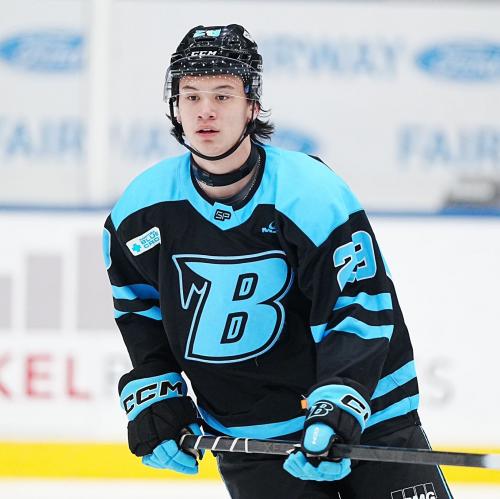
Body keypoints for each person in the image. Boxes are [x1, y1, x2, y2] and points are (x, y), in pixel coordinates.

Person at [102, 24, 453, 499]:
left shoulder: (309, 194)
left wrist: (338, 404)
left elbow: (358, 303)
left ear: (252, 105)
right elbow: (140, 310)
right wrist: (156, 392)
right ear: (175, 106)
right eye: (191, 96)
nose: (205, 110)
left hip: (370, 421)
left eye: (223, 95)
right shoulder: (140, 211)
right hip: (253, 438)